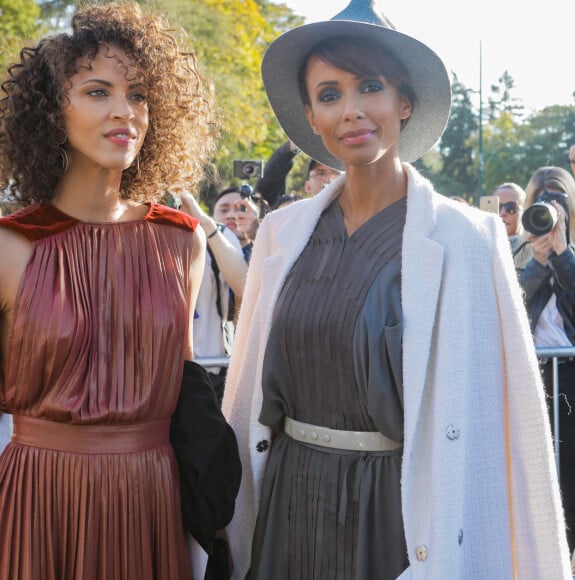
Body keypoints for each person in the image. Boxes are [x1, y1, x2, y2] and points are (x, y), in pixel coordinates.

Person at [221, 1, 570, 578]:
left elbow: (499, 419)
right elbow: (246, 396)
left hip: (398, 515)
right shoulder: (283, 234)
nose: (352, 110)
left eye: (371, 86)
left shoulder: (468, 238)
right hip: (286, 501)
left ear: (404, 101)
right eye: (329, 94)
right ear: (311, 115)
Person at [0, 3, 217, 578]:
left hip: (151, 499)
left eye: (140, 95)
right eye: (98, 92)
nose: (126, 112)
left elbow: (187, 396)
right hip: (38, 501)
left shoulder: (182, 244)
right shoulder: (10, 247)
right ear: (52, 112)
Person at [518, 165, 575, 552]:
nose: (549, 212)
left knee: (571, 478)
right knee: (538, 479)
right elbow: (511, 308)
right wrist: (538, 264)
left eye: (557, 201)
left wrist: (562, 255)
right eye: (540, 202)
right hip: (533, 378)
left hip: (574, 380)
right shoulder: (519, 251)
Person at [179, 192, 247, 403]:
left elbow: (245, 286)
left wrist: (205, 223)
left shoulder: (219, 234)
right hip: (153, 373)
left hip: (208, 370)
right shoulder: (138, 228)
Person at [255, 139, 340, 204]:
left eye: (336, 173)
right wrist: (293, 146)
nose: (329, 179)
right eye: (321, 174)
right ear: (308, 186)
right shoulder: (297, 216)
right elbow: (266, 192)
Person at [492, 182, 533, 272]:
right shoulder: (479, 247)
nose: (502, 213)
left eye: (511, 208)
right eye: (497, 206)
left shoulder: (535, 250)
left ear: (524, 211)